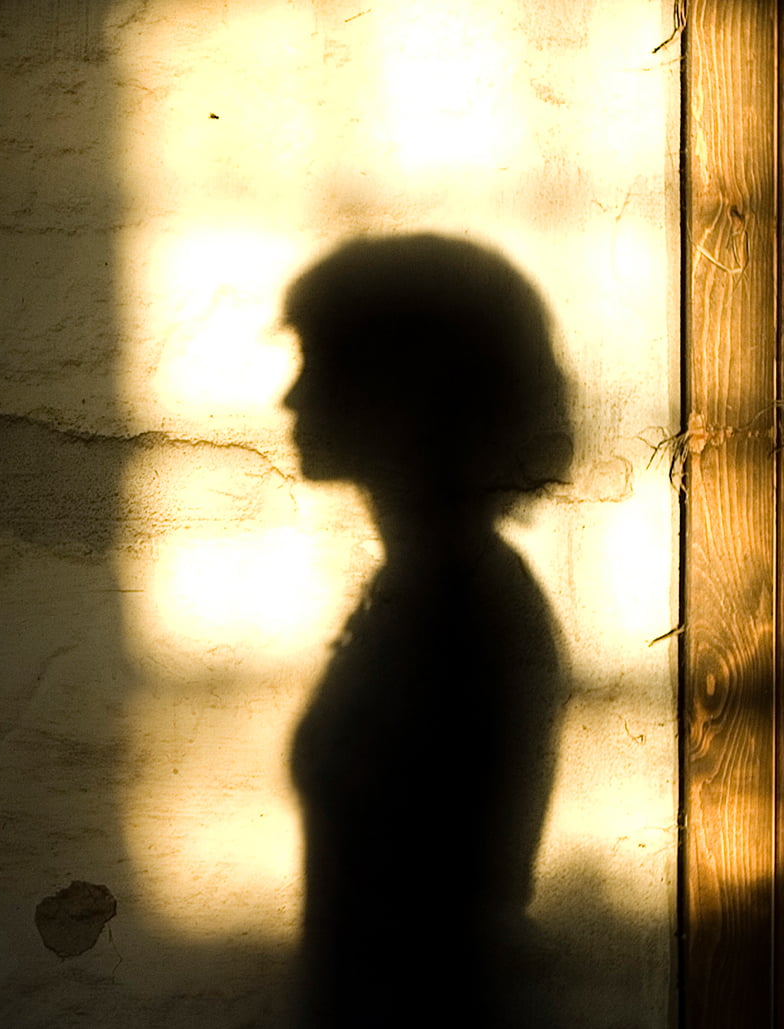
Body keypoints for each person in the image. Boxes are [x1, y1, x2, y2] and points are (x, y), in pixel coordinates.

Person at [283, 235, 570, 1027]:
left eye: (319, 363)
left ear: (404, 390)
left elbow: (435, 928)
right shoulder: (427, 588)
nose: (292, 398)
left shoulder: (458, 608)